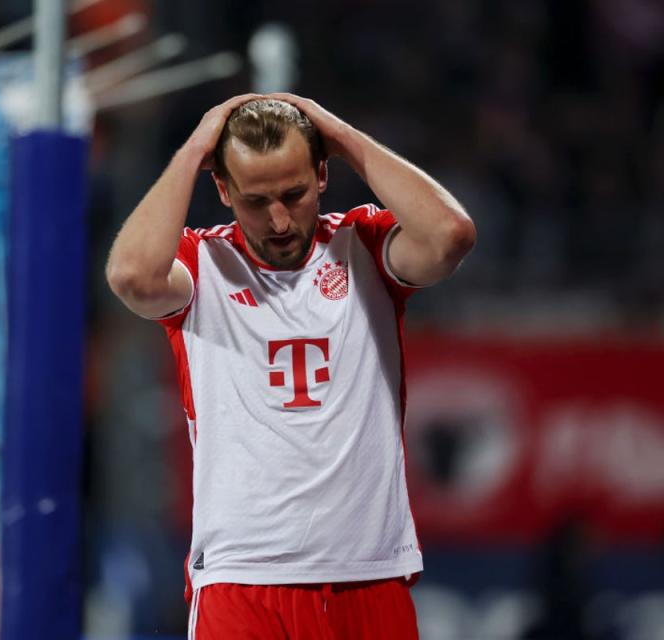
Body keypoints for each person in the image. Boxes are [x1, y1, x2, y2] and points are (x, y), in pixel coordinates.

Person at [106, 94, 476, 639]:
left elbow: (450, 235)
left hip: (368, 574)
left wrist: (342, 134)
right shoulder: (201, 264)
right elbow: (132, 277)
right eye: (255, 201)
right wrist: (192, 152)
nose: (279, 219)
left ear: (322, 174)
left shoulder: (364, 247)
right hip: (243, 580)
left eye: (294, 194)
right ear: (223, 190)